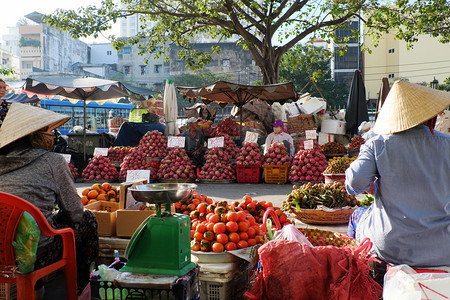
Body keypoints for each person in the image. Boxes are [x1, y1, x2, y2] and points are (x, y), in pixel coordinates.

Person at [345, 81, 450, 271]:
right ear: (429, 115)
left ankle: (362, 278)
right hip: (444, 248)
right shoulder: (447, 144)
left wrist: (374, 187)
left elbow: (354, 183)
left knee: (356, 216)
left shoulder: (377, 144)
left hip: (391, 249)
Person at [0, 103, 99, 296]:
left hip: (1, 249)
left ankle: (36, 289)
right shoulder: (52, 161)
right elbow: (75, 212)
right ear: (35, 135)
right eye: (50, 131)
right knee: (87, 220)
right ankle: (80, 288)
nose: (54, 136)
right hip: (33, 253)